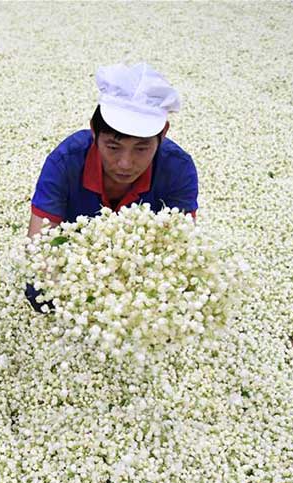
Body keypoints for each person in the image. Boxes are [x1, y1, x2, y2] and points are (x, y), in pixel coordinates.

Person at [25, 62, 198, 313]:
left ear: (163, 134)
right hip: (76, 263)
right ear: (94, 131)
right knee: (39, 290)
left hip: (141, 267)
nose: (125, 163)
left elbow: (183, 247)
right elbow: (38, 246)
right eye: (113, 147)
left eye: (141, 148)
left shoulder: (178, 168)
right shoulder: (66, 161)